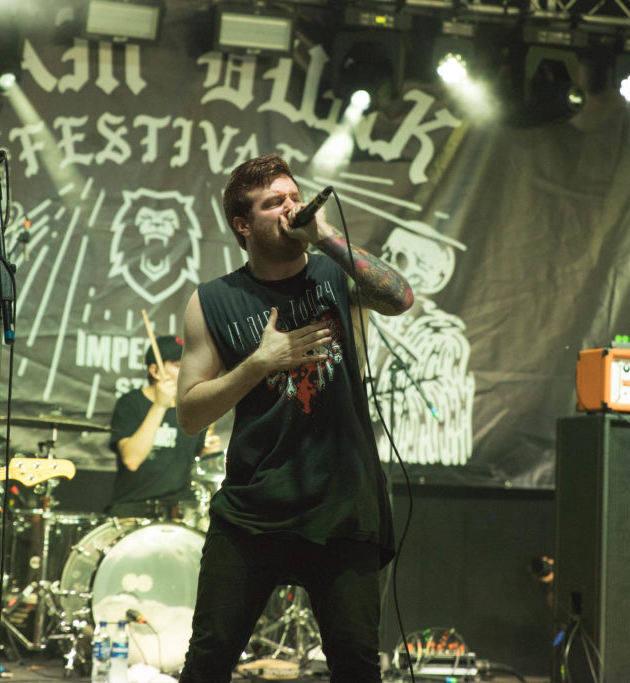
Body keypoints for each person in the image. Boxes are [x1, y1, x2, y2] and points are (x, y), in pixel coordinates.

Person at [175, 153, 415, 683]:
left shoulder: (337, 271)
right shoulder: (214, 300)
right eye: (272, 203)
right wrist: (260, 364)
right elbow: (189, 413)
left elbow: (400, 297)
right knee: (208, 660)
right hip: (254, 507)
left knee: (356, 664)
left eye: (292, 195)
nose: (290, 207)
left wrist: (326, 236)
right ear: (244, 225)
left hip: (343, 502)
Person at [106, 335, 220, 520]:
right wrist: (159, 405)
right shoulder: (130, 403)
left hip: (178, 513)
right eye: (178, 365)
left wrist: (207, 452)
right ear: (155, 371)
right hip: (131, 510)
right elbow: (132, 460)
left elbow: (198, 461)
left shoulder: (193, 408)